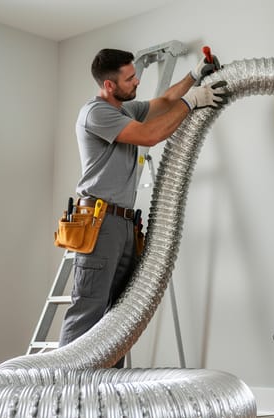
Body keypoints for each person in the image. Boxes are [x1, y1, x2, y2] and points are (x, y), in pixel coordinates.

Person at [59, 47, 228, 366]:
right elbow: (150, 136)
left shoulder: (125, 110)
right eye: (129, 79)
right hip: (99, 222)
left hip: (123, 223)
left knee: (120, 318)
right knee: (89, 311)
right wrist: (192, 102)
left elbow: (164, 101)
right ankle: (65, 388)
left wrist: (194, 75)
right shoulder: (96, 113)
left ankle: (106, 389)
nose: (136, 81)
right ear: (109, 85)